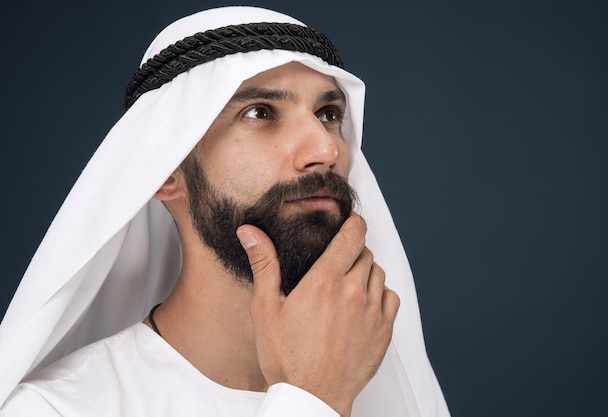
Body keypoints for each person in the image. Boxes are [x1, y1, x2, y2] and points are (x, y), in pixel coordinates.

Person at [0, 6, 449, 417]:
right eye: (259, 112)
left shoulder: (386, 394)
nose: (326, 148)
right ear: (164, 171)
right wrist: (314, 401)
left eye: (329, 113)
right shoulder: (54, 409)